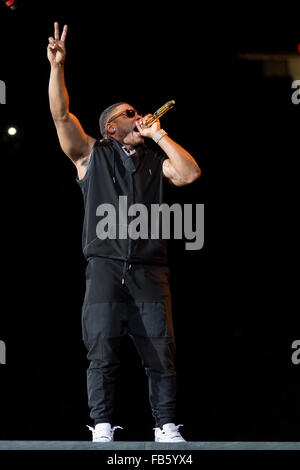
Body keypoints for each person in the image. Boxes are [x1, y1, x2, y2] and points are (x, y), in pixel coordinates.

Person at [48, 22, 201, 443]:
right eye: (130, 114)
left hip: (151, 270)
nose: (139, 117)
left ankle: (166, 426)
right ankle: (101, 426)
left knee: (160, 351)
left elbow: (189, 174)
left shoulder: (155, 160)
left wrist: (160, 134)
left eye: (139, 113)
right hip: (105, 266)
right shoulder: (90, 155)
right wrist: (57, 67)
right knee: (102, 349)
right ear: (111, 127)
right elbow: (61, 115)